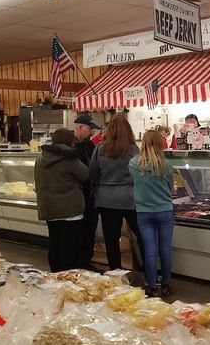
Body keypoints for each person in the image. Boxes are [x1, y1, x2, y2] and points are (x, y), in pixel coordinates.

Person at [90, 115, 142, 271]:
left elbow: (93, 173)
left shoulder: (100, 149)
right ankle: (149, 273)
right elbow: (140, 173)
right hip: (131, 198)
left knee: (111, 239)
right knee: (142, 236)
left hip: (106, 199)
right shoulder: (133, 150)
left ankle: (115, 274)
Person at [35, 128, 89, 272]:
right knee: (68, 248)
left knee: (54, 243)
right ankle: (67, 278)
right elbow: (85, 174)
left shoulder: (41, 158)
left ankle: (55, 275)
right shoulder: (70, 158)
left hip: (49, 208)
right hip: (69, 210)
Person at [129, 129, 175, 297]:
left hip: (143, 212)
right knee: (165, 249)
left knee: (149, 250)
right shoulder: (166, 165)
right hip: (164, 211)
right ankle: (166, 285)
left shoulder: (134, 164)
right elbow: (170, 188)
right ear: (160, 144)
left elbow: (134, 182)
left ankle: (151, 285)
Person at [73, 113, 101, 269]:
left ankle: (86, 261)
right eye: (89, 129)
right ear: (79, 127)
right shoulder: (70, 146)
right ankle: (78, 263)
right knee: (80, 232)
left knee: (90, 231)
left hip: (91, 197)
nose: (91, 132)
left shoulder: (90, 146)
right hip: (78, 197)